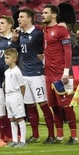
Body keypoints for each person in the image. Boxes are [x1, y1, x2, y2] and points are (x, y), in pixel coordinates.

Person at [12, 8, 55, 144]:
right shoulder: (20, 35)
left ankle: (52, 135)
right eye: (18, 17)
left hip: (37, 74)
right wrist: (14, 40)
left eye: (21, 17)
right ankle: (35, 135)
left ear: (30, 19)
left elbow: (50, 44)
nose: (18, 19)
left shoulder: (38, 33)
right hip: (24, 74)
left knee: (43, 104)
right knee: (30, 106)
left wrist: (45, 57)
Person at [42, 4, 77, 145]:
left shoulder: (61, 30)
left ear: (54, 15)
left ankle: (74, 136)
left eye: (45, 13)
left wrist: (66, 72)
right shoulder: (45, 30)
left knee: (66, 105)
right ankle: (60, 136)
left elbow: (68, 51)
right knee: (54, 106)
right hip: (48, 74)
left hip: (61, 74)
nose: (42, 15)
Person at [4, 48, 27, 148]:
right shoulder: (6, 72)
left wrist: (20, 98)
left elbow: (22, 86)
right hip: (8, 96)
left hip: (15, 95)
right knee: (12, 119)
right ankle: (14, 139)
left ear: (14, 59)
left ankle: (22, 140)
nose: (5, 59)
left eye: (7, 57)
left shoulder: (17, 71)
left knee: (19, 118)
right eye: (5, 57)